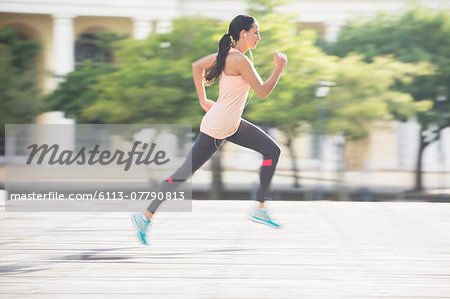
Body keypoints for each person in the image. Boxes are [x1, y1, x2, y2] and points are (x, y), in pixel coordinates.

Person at [131, 14, 288, 245]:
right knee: (183, 174)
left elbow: (197, 66)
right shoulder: (239, 60)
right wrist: (279, 68)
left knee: (272, 151)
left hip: (230, 123)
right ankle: (144, 216)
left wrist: (204, 101)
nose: (259, 37)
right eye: (256, 32)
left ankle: (261, 208)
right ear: (243, 34)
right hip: (218, 126)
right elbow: (263, 92)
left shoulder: (228, 56)